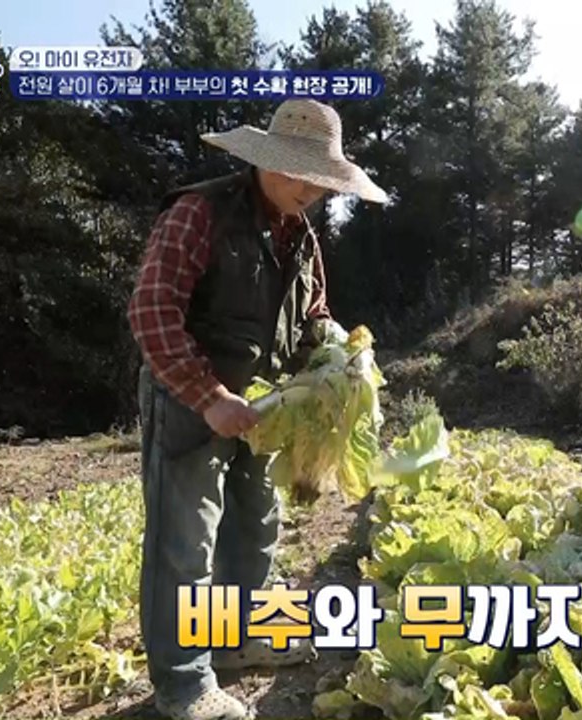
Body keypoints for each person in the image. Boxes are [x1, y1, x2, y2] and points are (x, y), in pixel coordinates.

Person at [127, 99, 388, 720]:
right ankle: (185, 685)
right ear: (264, 161)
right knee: (183, 543)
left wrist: (336, 351)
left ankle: (237, 640)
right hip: (192, 401)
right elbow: (151, 311)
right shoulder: (201, 213)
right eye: (295, 172)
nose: (306, 188)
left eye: (319, 180)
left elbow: (314, 312)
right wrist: (210, 396)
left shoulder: (301, 235)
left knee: (255, 525)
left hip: (264, 410)